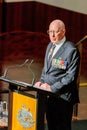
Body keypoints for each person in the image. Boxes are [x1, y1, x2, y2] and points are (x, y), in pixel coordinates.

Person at [34, 19, 80, 130]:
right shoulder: (50, 46)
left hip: (62, 97)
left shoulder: (71, 50)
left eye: (56, 31)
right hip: (49, 96)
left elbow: (71, 77)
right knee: (51, 125)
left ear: (63, 32)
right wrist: (41, 82)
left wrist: (52, 88)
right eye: (50, 31)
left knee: (62, 127)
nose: (52, 35)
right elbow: (46, 69)